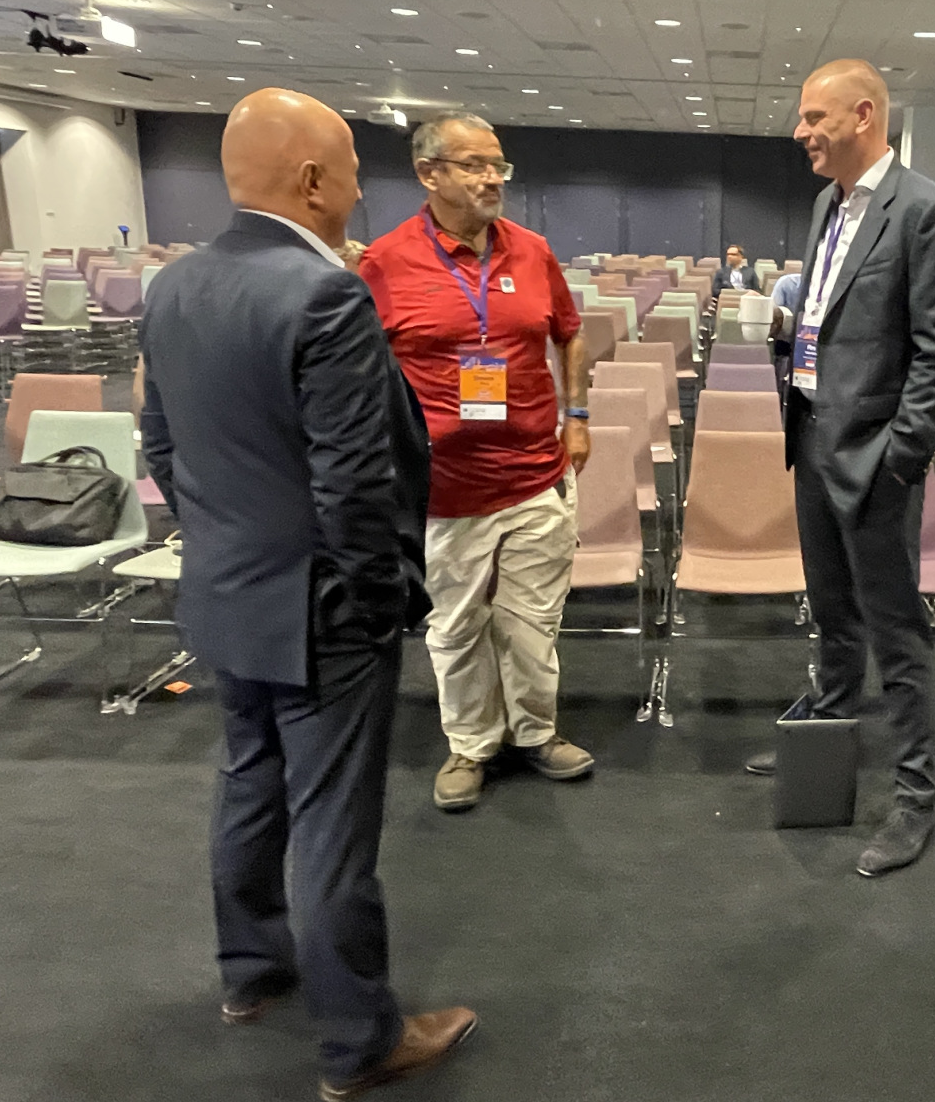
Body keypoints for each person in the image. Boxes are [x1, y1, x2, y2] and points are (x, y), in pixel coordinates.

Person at [139, 88, 476, 1099]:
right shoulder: (324, 294)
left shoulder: (173, 285)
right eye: (354, 174)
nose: (360, 194)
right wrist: (377, 600)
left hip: (225, 592)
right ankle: (359, 1042)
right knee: (333, 827)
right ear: (315, 180)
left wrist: (222, 541)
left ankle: (252, 974)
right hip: (321, 609)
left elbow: (162, 445)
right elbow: (354, 482)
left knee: (249, 784)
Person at [748, 58, 935, 878]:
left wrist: (900, 462)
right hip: (811, 437)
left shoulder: (927, 210)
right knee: (833, 613)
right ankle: (826, 730)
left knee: (897, 633)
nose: (800, 131)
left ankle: (914, 798)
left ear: (865, 115)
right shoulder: (827, 205)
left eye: (814, 117)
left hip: (877, 457)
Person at [358, 111, 594, 813]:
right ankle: (471, 744)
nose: (493, 178)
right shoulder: (386, 262)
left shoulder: (532, 251)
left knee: (532, 622)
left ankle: (535, 732)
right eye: (474, 165)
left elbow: (570, 335)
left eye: (498, 165)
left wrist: (577, 417)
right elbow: (362, 368)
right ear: (428, 174)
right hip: (444, 489)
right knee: (457, 626)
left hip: (535, 474)